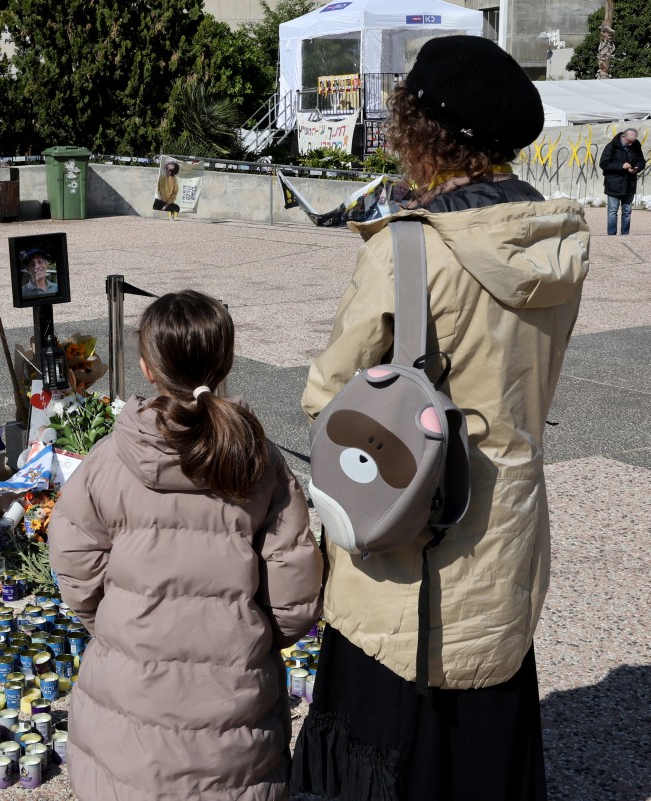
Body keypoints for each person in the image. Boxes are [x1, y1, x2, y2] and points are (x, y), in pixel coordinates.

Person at [291, 36, 589, 801]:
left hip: (411, 546)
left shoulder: (409, 249)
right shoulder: (555, 245)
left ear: (421, 131)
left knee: (390, 740)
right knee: (488, 722)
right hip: (510, 524)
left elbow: (328, 400)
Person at [49, 290, 322, 801]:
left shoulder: (109, 460)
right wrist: (252, 642)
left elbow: (74, 568)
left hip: (129, 706)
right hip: (235, 716)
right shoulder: (261, 462)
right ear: (226, 361)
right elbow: (296, 594)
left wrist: (119, 629)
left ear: (147, 368)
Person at [599, 128, 645, 236]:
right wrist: (621, 166)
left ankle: (625, 235)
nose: (630, 144)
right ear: (623, 137)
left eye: (632, 142)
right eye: (629, 141)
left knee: (627, 212)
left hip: (629, 184)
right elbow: (603, 164)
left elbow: (641, 161)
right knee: (612, 211)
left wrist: (637, 168)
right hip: (614, 184)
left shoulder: (636, 146)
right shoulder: (611, 146)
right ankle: (611, 235)